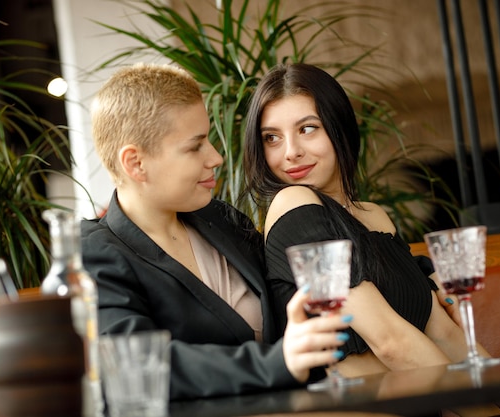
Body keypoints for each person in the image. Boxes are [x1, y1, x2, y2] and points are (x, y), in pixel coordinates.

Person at [242, 62, 500, 415]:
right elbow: (390, 342)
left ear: (339, 129)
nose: (290, 151)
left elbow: (445, 334)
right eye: (271, 137)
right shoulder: (292, 202)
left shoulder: (375, 215)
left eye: (308, 129)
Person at [80, 62, 354, 401]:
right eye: (195, 146)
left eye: (208, 139)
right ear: (135, 163)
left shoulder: (219, 219)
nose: (216, 158)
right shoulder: (95, 253)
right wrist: (278, 362)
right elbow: (133, 364)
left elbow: (287, 282)